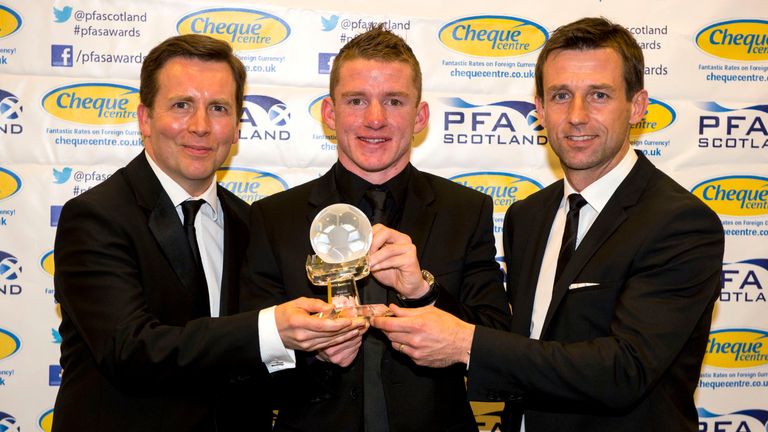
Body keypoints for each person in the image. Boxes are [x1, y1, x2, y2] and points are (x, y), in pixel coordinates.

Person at [373, 17, 725, 432]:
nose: (576, 115)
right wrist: (423, 291)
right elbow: (517, 344)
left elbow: (625, 371)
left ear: (637, 106)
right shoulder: (528, 216)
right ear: (539, 108)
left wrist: (463, 344)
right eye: (560, 95)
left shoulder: (679, 222)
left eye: (598, 95)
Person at [52, 34, 363, 432]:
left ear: (236, 127)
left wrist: (316, 350)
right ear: (145, 118)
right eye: (182, 105)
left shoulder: (251, 224)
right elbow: (129, 351)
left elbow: (254, 365)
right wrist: (271, 329)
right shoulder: (96, 217)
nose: (200, 126)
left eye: (218, 108)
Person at [240, 25, 511, 432]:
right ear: (330, 113)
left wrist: (423, 292)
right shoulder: (273, 217)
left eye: (394, 101)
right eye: (356, 100)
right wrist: (317, 358)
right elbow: (251, 359)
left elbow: (494, 342)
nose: (375, 119)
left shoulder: (466, 210)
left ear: (420, 117)